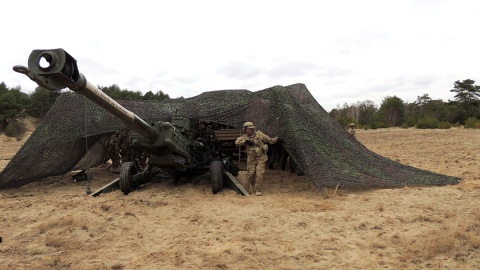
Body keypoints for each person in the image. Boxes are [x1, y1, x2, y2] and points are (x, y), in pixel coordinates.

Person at [235, 121, 280, 196]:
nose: (247, 131)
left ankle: (258, 189)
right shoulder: (245, 137)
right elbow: (236, 142)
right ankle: (252, 187)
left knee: (259, 174)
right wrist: (245, 141)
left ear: (252, 129)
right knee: (251, 174)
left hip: (261, 158)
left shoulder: (260, 135)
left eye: (248, 129)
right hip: (251, 159)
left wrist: (277, 139)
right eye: (245, 129)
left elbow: (270, 140)